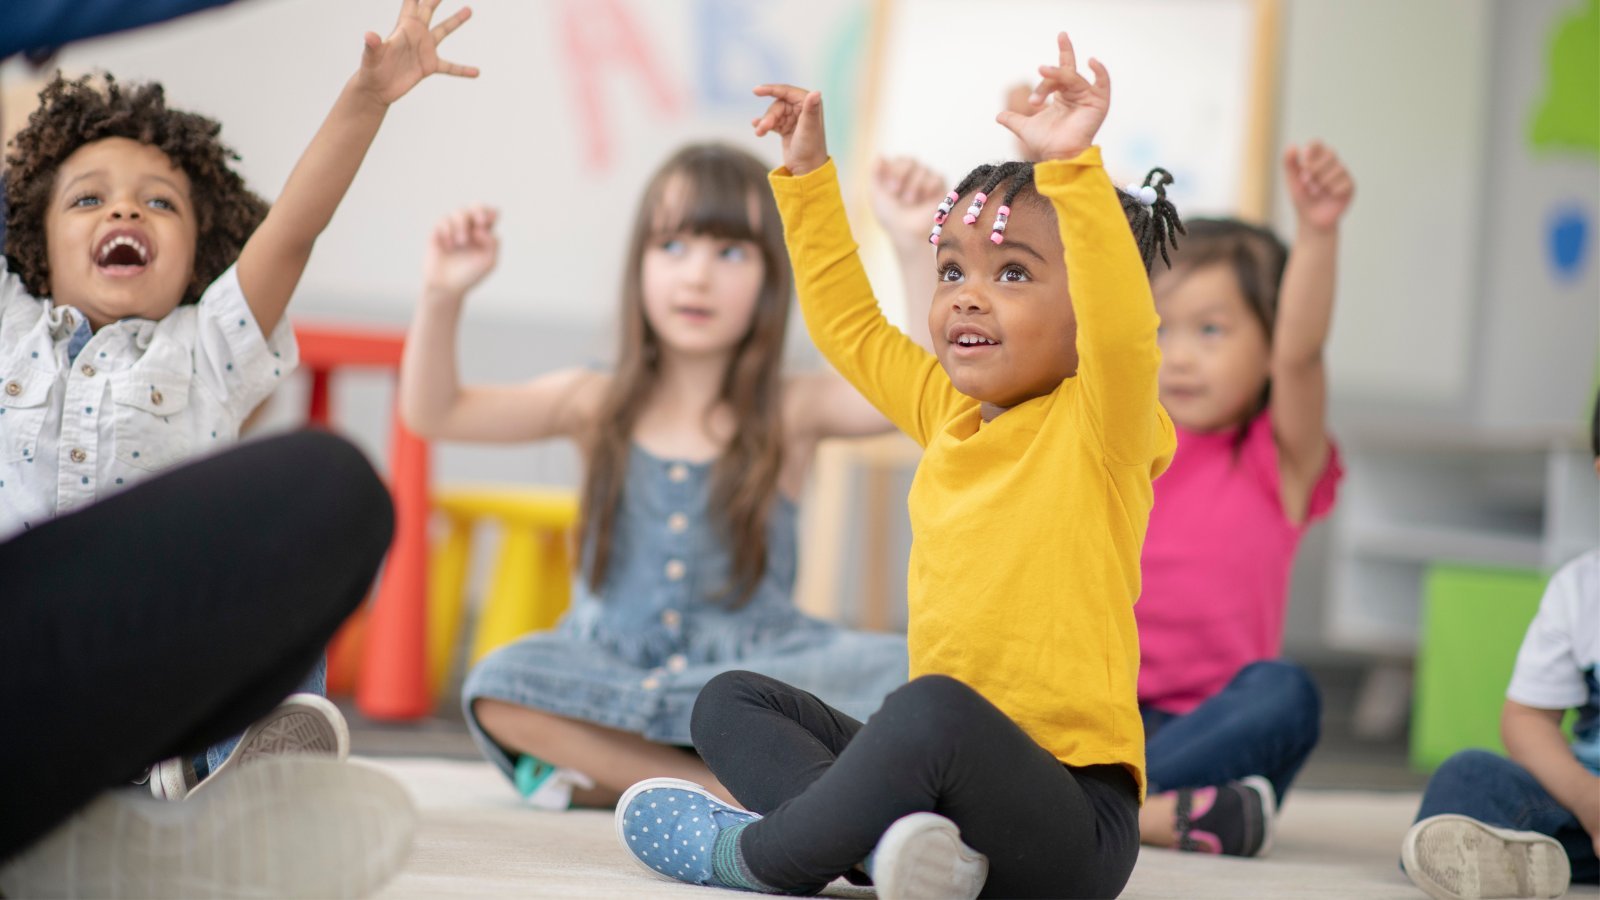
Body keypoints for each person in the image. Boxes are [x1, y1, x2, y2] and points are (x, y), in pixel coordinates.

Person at [615, 32, 1183, 898]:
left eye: (1014, 273)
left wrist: (1072, 169)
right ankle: (889, 855)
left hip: (1073, 822)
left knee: (932, 710)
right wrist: (808, 178)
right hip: (944, 804)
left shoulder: (1104, 424)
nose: (964, 291)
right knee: (730, 700)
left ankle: (766, 857)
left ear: (1086, 316)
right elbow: (850, 329)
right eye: (952, 265)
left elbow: (1122, 332)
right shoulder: (947, 413)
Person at [0, 0, 477, 800]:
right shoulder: (13, 327)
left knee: (310, 504)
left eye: (160, 202)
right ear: (34, 248)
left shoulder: (212, 342)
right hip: (33, 661)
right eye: (86, 200)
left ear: (201, 248)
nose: (124, 209)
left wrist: (366, 98)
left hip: (158, 669)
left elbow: (295, 227)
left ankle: (232, 773)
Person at [399, 143, 911, 810]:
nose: (696, 277)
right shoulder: (594, 399)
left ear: (770, 278)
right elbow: (435, 412)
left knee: (917, 673)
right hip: (612, 673)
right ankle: (721, 788)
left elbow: (916, 391)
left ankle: (613, 776)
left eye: (731, 253)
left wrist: (910, 243)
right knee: (500, 682)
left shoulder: (792, 406)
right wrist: (442, 294)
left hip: (753, 679)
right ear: (639, 262)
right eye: (673, 246)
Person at [1133, 142, 1355, 856]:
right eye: (1161, 329)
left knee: (1286, 694)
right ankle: (1164, 818)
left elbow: (1302, 354)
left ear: (1266, 349)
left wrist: (1318, 233)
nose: (1181, 356)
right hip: (1105, 719)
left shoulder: (1277, 460)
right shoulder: (1121, 441)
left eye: (1211, 330)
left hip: (1217, 727)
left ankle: (1096, 814)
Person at [1398, 393, 1600, 900]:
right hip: (1586, 810)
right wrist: (1589, 799)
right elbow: (1528, 719)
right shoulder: (1579, 590)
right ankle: (1519, 862)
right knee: (1468, 776)